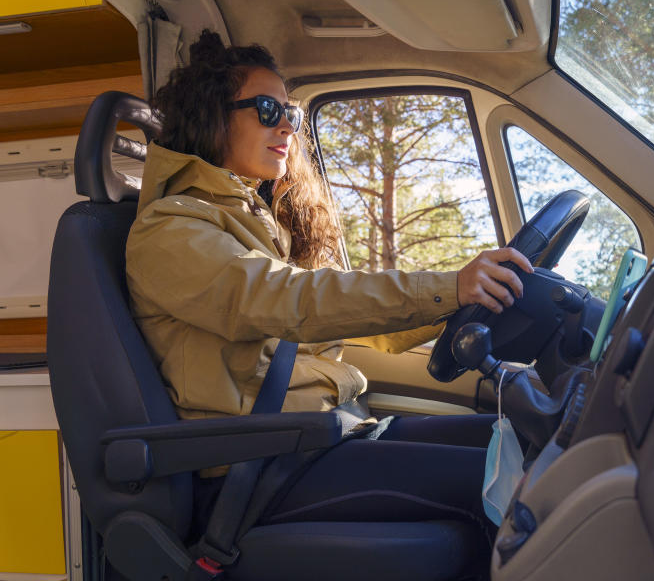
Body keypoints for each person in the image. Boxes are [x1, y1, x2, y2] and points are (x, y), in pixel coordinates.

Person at [125, 30, 532, 545]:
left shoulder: (250, 222)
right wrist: (450, 287)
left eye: (291, 115)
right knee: (515, 493)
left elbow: (324, 324)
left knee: (522, 445)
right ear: (212, 115)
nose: (288, 129)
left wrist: (464, 300)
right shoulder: (171, 230)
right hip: (258, 469)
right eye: (269, 110)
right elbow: (294, 300)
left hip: (322, 434)